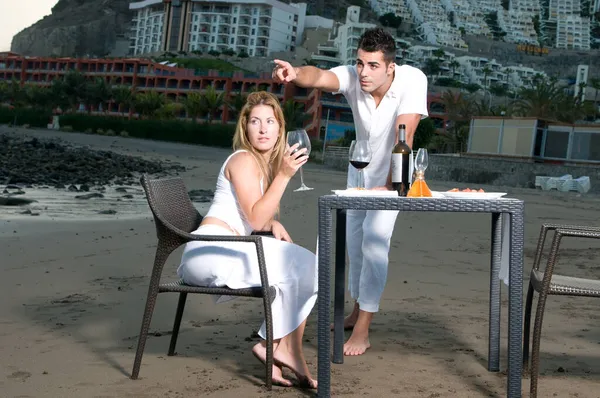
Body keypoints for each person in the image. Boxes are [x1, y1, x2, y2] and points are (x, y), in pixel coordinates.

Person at [272, 28, 429, 356]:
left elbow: (406, 135)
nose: (364, 72)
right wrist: (295, 73)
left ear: (390, 67)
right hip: (357, 174)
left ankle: (363, 329)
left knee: (375, 242)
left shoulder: (413, 80)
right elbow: (318, 76)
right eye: (360, 63)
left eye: (373, 66)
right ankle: (357, 309)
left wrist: (388, 187)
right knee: (353, 246)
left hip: (393, 179)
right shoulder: (353, 76)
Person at [177, 91, 318, 388]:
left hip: (228, 247)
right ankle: (279, 348)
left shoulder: (260, 165)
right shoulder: (243, 159)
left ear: (280, 128)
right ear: (245, 128)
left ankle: (278, 348)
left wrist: (273, 221)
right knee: (305, 265)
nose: (264, 128)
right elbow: (254, 219)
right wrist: (284, 176)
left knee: (306, 267)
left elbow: (254, 215)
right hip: (210, 250)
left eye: (270, 121)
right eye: (255, 121)